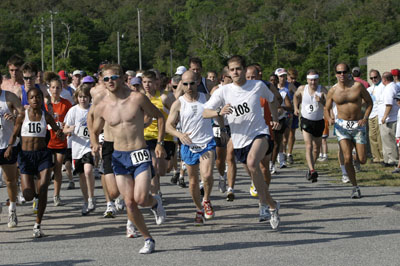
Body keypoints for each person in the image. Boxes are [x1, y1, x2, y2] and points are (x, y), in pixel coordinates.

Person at [90, 64, 166, 254]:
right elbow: (93, 126)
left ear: (123, 78)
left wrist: (159, 143)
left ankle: (154, 202)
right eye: (106, 79)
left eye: (113, 78)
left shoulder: (137, 98)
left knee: (140, 199)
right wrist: (94, 143)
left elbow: (159, 117)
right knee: (129, 202)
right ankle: (148, 239)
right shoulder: (102, 105)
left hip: (139, 153)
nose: (110, 82)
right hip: (119, 156)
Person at [203, 55, 281, 229]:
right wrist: (219, 111)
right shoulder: (224, 91)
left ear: (245, 70)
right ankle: (273, 205)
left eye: (238, 68)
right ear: (228, 72)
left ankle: (262, 205)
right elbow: (204, 112)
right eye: (232, 69)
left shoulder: (257, 86)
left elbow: (272, 100)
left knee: (253, 163)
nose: (235, 72)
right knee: (255, 177)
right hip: (239, 141)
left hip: (260, 134)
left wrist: (275, 118)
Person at [5, 87, 64, 237]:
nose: (35, 100)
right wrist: (10, 147)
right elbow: (14, 134)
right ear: (28, 100)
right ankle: (31, 194)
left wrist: (60, 134)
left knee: (43, 187)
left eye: (38, 97)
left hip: (42, 155)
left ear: (41, 99)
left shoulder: (46, 115)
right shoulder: (22, 116)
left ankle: (37, 225)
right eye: (32, 97)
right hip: (26, 156)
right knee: (29, 194)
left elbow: (59, 132)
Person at [167, 70, 223, 224]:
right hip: (188, 145)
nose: (189, 86)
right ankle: (198, 208)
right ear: (181, 85)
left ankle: (206, 199)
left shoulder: (207, 98)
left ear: (198, 82)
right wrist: (179, 135)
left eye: (192, 83)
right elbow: (168, 126)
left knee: (207, 175)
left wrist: (223, 128)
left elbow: (217, 114)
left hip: (206, 142)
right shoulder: (178, 103)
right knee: (192, 181)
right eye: (185, 84)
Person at [324, 63, 373, 198]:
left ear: (348, 72)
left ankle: (355, 155)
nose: (342, 75)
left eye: (344, 72)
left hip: (358, 125)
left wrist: (365, 118)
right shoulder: (333, 91)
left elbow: (370, 102)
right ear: (335, 74)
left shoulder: (357, 86)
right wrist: (329, 119)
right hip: (342, 126)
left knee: (362, 159)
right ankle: (354, 187)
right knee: (346, 159)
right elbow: (326, 108)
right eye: (339, 72)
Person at [64, 84, 97, 215]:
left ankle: (92, 197)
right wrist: (72, 129)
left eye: (86, 97)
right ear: (77, 98)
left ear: (90, 98)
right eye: (81, 97)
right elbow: (65, 128)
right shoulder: (73, 110)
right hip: (76, 147)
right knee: (81, 176)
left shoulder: (93, 110)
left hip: (88, 146)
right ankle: (86, 200)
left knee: (88, 171)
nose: (83, 99)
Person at [293, 70, 327, 182]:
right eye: (311, 80)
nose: (313, 82)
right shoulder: (302, 89)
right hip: (306, 120)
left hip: (318, 121)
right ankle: (312, 170)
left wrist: (321, 101)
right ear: (307, 80)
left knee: (316, 148)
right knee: (308, 145)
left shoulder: (322, 90)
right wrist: (296, 108)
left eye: (315, 79)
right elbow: (295, 96)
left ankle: (311, 166)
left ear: (318, 79)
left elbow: (329, 104)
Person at [0, 73, 25, 228]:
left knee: (10, 180)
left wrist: (15, 118)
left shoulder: (8, 97)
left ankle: (12, 209)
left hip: (7, 144)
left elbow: (23, 114)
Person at [45, 73, 72, 207]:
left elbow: (70, 121)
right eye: (53, 87)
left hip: (60, 140)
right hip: (47, 141)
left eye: (57, 88)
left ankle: (56, 195)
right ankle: (41, 194)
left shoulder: (66, 104)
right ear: (49, 88)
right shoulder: (45, 104)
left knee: (57, 167)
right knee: (47, 170)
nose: (55, 90)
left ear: (61, 89)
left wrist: (65, 128)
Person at [378, 72, 400, 167]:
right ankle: (387, 159)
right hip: (392, 118)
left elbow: (389, 104)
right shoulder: (394, 86)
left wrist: (384, 117)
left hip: (390, 119)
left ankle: (393, 160)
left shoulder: (389, 89)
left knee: (389, 141)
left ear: (384, 79)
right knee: (387, 141)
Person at [367, 69, 384, 163]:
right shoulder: (370, 88)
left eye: (375, 77)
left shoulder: (383, 87)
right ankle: (376, 157)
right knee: (372, 136)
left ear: (379, 76)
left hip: (379, 114)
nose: (373, 79)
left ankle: (382, 157)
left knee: (379, 137)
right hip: (371, 115)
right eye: (371, 78)